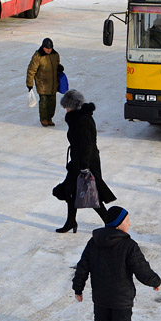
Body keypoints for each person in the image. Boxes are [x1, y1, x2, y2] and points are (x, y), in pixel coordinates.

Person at [73, 206, 161, 321]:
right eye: (127, 220)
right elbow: (141, 269)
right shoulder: (129, 245)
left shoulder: (94, 242)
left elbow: (82, 266)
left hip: (101, 299)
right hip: (122, 301)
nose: (129, 223)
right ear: (118, 224)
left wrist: (78, 288)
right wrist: (155, 281)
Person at [57, 90, 116, 233]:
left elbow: (87, 144)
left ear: (75, 106)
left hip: (86, 162)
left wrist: (84, 166)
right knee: (71, 192)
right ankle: (71, 221)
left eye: (68, 106)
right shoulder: (78, 117)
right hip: (79, 160)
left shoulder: (81, 120)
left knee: (91, 193)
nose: (66, 109)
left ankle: (111, 224)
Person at [26, 38, 61, 127]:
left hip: (53, 84)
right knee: (44, 102)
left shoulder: (55, 55)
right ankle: (44, 119)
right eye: (47, 48)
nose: (48, 50)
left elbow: (57, 65)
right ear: (43, 47)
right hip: (42, 84)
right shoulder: (38, 56)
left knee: (52, 103)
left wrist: (60, 68)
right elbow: (31, 70)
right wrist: (30, 84)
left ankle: (49, 118)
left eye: (50, 48)